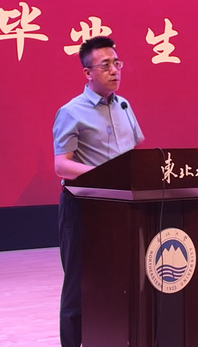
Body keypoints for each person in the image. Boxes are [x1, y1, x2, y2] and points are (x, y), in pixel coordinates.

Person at [52, 35, 145, 347]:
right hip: (84, 208)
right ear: (87, 73)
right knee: (79, 286)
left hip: (122, 207)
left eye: (117, 63)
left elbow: (134, 152)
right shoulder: (71, 111)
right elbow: (62, 165)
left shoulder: (124, 106)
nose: (114, 70)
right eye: (105, 65)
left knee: (120, 281)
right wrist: (105, 175)